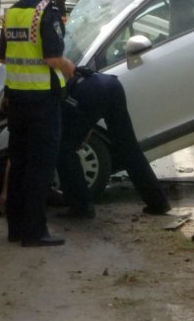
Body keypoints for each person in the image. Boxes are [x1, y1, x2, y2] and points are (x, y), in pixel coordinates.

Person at [0, 0, 75, 247]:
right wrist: (70, 69)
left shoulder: (14, 12)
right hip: (43, 100)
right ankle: (35, 232)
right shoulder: (46, 12)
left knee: (19, 163)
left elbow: (2, 56)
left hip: (16, 99)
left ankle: (16, 228)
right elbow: (53, 57)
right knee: (40, 166)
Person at [56, 68, 171, 219]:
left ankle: (81, 207)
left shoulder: (46, 94)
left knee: (64, 151)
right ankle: (158, 202)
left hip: (87, 93)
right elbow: (84, 121)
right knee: (129, 148)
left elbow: (70, 119)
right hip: (110, 84)